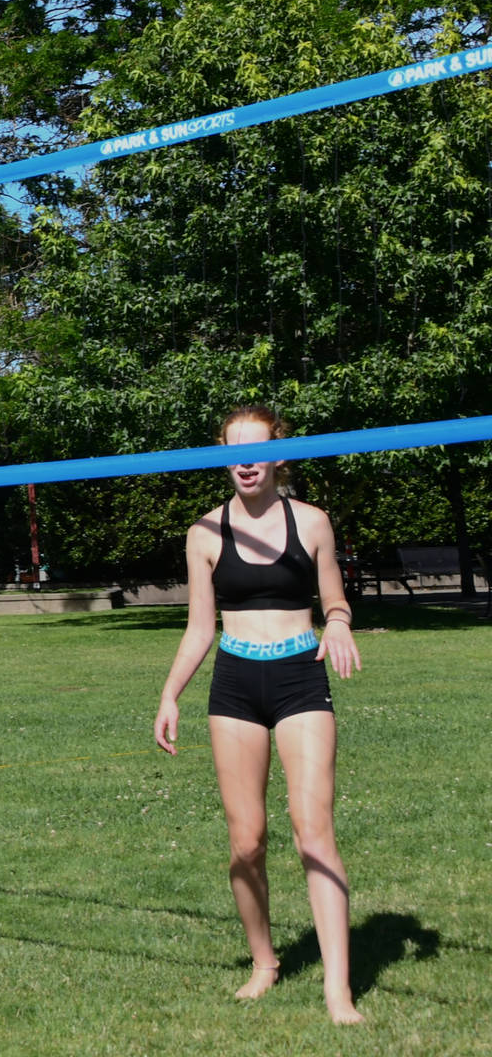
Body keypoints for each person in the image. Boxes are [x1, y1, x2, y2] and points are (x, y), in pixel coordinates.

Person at [154, 408, 365, 1023]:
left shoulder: (313, 523)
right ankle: (264, 962)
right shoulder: (204, 533)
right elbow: (200, 628)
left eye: (257, 450)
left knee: (312, 830)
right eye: (233, 451)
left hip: (301, 675)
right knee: (246, 842)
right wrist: (170, 694)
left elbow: (334, 598)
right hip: (236, 683)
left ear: (279, 457)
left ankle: (337, 989)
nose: (245, 462)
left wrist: (340, 622)